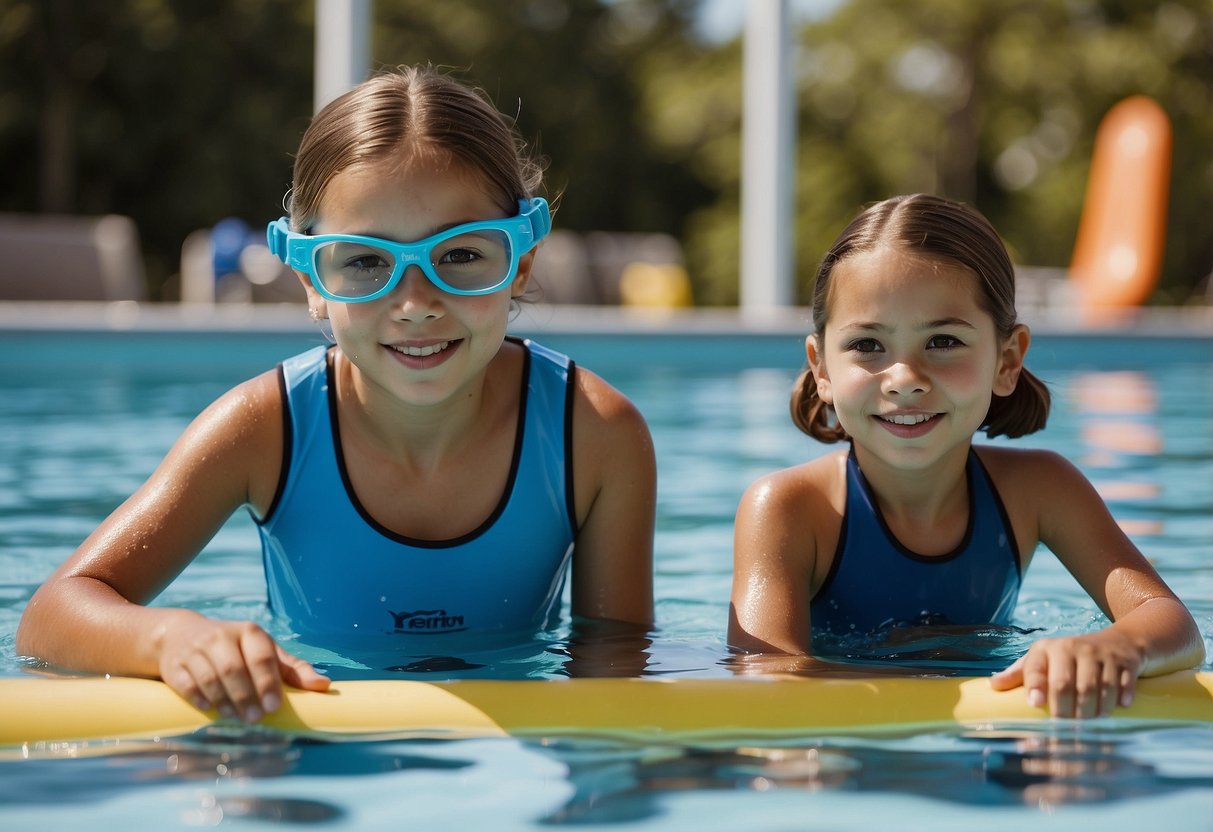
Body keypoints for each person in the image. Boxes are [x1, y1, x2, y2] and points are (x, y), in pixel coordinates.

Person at [17, 65, 656, 722]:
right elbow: (51, 617)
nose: (414, 304)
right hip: (304, 739)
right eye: (364, 262)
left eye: (461, 255)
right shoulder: (262, 429)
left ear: (520, 259)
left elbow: (614, 664)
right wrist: (175, 638)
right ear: (311, 280)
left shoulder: (594, 433)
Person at [728, 193, 1203, 718]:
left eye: (943, 341)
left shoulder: (1040, 489)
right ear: (822, 368)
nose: (905, 379)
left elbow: (1172, 622)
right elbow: (767, 681)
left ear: (1007, 359)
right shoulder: (790, 509)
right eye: (867, 345)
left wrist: (1113, 649)